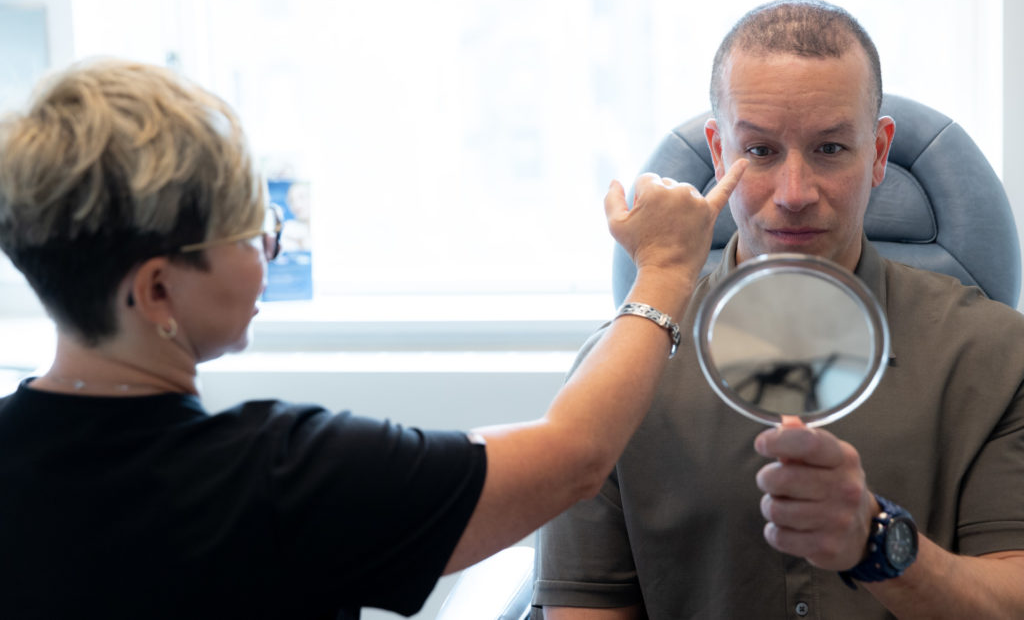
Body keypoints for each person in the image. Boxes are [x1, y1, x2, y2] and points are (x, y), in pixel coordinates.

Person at [0, 59, 745, 619]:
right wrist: (667, 269)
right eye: (253, 234)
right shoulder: (284, 479)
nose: (270, 250)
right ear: (159, 288)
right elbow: (573, 457)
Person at [532, 0, 1024, 619]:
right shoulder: (618, 373)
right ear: (717, 154)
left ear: (877, 153)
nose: (794, 195)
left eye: (831, 150)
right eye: (760, 152)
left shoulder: (999, 357)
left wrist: (878, 545)